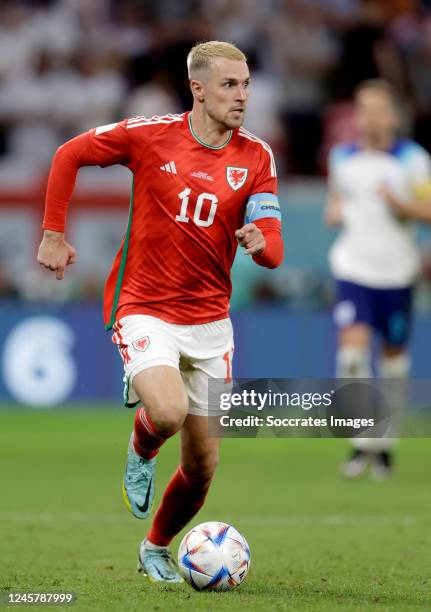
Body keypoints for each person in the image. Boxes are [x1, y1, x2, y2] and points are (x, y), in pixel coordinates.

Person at [37, 41, 283, 583]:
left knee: (201, 469)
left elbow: (275, 251)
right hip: (144, 306)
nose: (242, 96)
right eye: (229, 85)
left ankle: (155, 548)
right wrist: (54, 232)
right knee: (167, 413)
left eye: (246, 85)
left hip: (211, 323)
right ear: (197, 88)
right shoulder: (151, 135)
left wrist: (258, 244)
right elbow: (68, 155)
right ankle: (141, 443)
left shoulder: (257, 157)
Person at [325, 79, 431, 480]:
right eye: (363, 108)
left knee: (394, 363)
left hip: (397, 273)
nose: (370, 117)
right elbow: (335, 203)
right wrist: (335, 213)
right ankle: (362, 440)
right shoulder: (341, 157)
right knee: (353, 356)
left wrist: (401, 206)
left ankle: (386, 445)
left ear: (393, 115)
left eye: (378, 109)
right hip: (353, 268)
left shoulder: (413, 160)